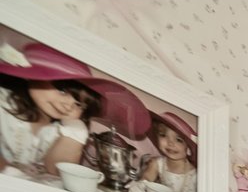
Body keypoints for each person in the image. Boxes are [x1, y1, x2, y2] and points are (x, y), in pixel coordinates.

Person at [0, 40, 149, 179]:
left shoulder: (58, 131)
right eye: (62, 90)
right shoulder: (4, 100)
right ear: (32, 76)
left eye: (79, 104)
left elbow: (57, 171)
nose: (68, 105)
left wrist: (76, 131)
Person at [138, 111, 197, 192]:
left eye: (179, 140)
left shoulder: (196, 175)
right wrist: (139, 187)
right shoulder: (157, 163)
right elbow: (146, 179)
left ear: (189, 148)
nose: (170, 143)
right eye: (163, 135)